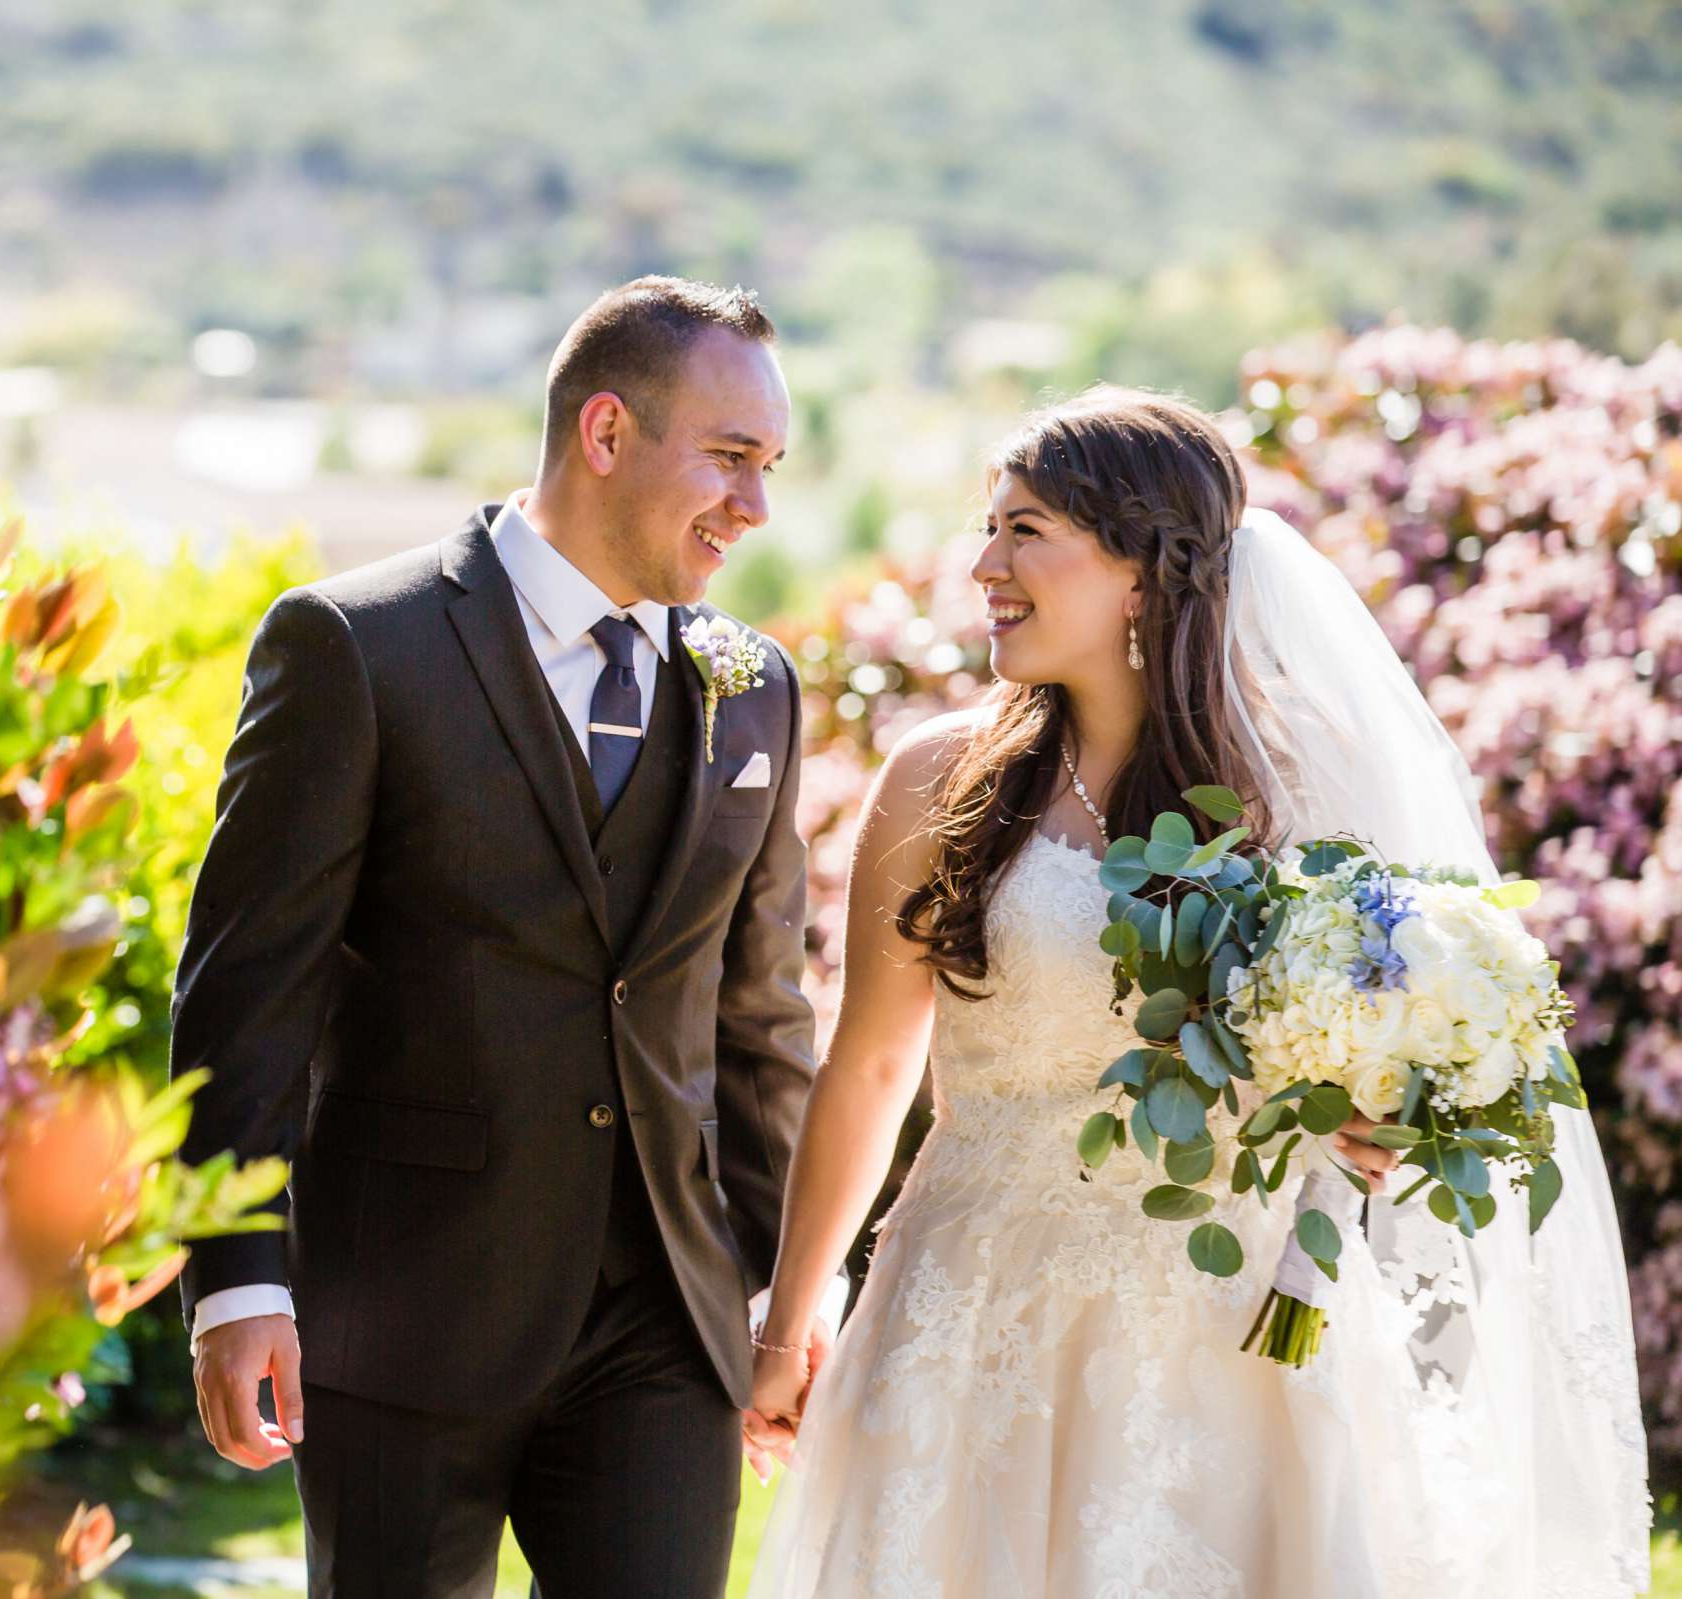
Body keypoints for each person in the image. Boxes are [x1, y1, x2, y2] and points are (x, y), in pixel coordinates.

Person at [745, 387, 1649, 1597]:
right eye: (990, 528)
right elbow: (867, 1066)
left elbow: (1403, 1016)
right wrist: (793, 1315)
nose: (984, 566)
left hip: (1230, 1319)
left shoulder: (1297, 786)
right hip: (973, 1300)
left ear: (1142, 574)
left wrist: (1380, 1102)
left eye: (1027, 534)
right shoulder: (937, 777)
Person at [171, 275, 836, 1598]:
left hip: (664, 1321)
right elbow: (249, 989)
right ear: (605, 433)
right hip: (405, 1312)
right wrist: (236, 1276)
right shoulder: (357, 646)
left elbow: (756, 1016)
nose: (754, 507)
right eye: (729, 459)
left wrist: (782, 1297)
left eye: (771, 468)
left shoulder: (753, 685)